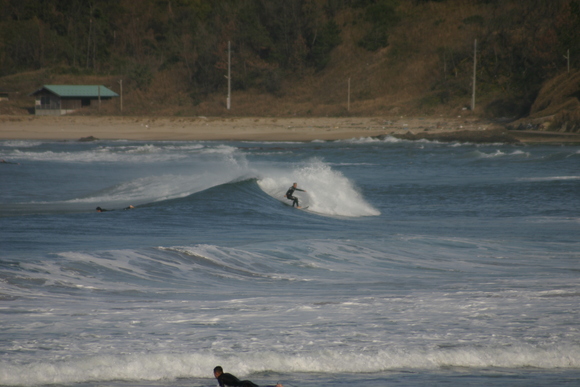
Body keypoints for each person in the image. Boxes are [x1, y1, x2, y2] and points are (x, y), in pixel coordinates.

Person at [213, 366, 283, 387]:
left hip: (243, 385)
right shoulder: (227, 374)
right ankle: (276, 386)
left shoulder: (220, 377)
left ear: (216, 373)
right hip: (245, 382)